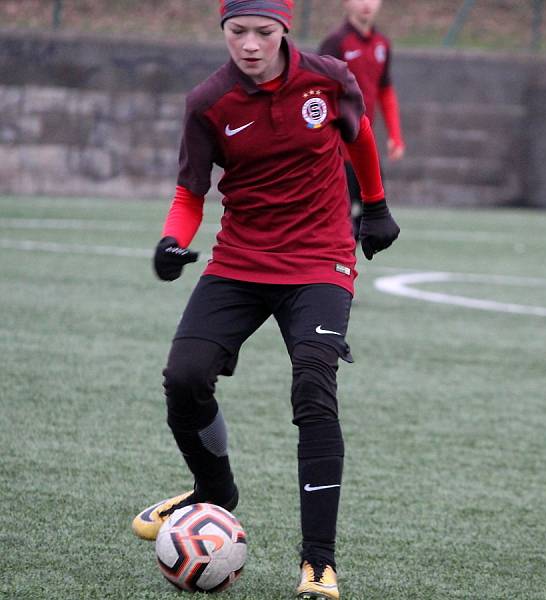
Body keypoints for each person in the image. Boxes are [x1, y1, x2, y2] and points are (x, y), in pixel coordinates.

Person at [130, 1, 400, 599]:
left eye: (263, 32)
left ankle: (319, 563)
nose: (249, 44)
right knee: (184, 377)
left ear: (284, 30)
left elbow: (359, 139)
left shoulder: (327, 79)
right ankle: (213, 493)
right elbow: (189, 193)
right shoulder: (207, 102)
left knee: (312, 381)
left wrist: (376, 206)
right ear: (223, 31)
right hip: (241, 260)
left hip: (319, 259)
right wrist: (173, 242)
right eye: (237, 32)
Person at [318, 0, 405, 239]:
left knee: (374, 216)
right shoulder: (336, 42)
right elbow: (317, 92)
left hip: (364, 147)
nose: (366, 3)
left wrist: (395, 136)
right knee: (335, 218)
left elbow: (385, 91)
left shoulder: (382, 44)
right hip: (335, 151)